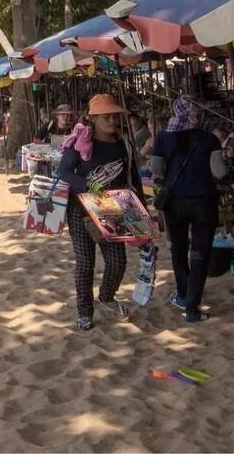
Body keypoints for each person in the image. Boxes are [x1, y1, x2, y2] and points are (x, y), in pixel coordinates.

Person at [56, 94, 146, 331]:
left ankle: (106, 296)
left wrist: (143, 215)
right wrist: (87, 186)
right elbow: (63, 172)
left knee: (118, 263)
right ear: (93, 118)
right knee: (85, 264)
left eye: (115, 116)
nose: (112, 120)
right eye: (106, 116)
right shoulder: (80, 142)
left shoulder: (123, 143)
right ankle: (84, 312)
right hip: (81, 209)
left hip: (114, 208)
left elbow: (133, 178)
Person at [149, 97, 226, 324]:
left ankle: (183, 294)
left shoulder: (162, 137)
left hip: (174, 202)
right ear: (197, 113)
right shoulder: (209, 138)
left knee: (178, 248)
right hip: (204, 201)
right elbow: (219, 172)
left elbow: (156, 170)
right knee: (200, 253)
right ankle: (193, 307)